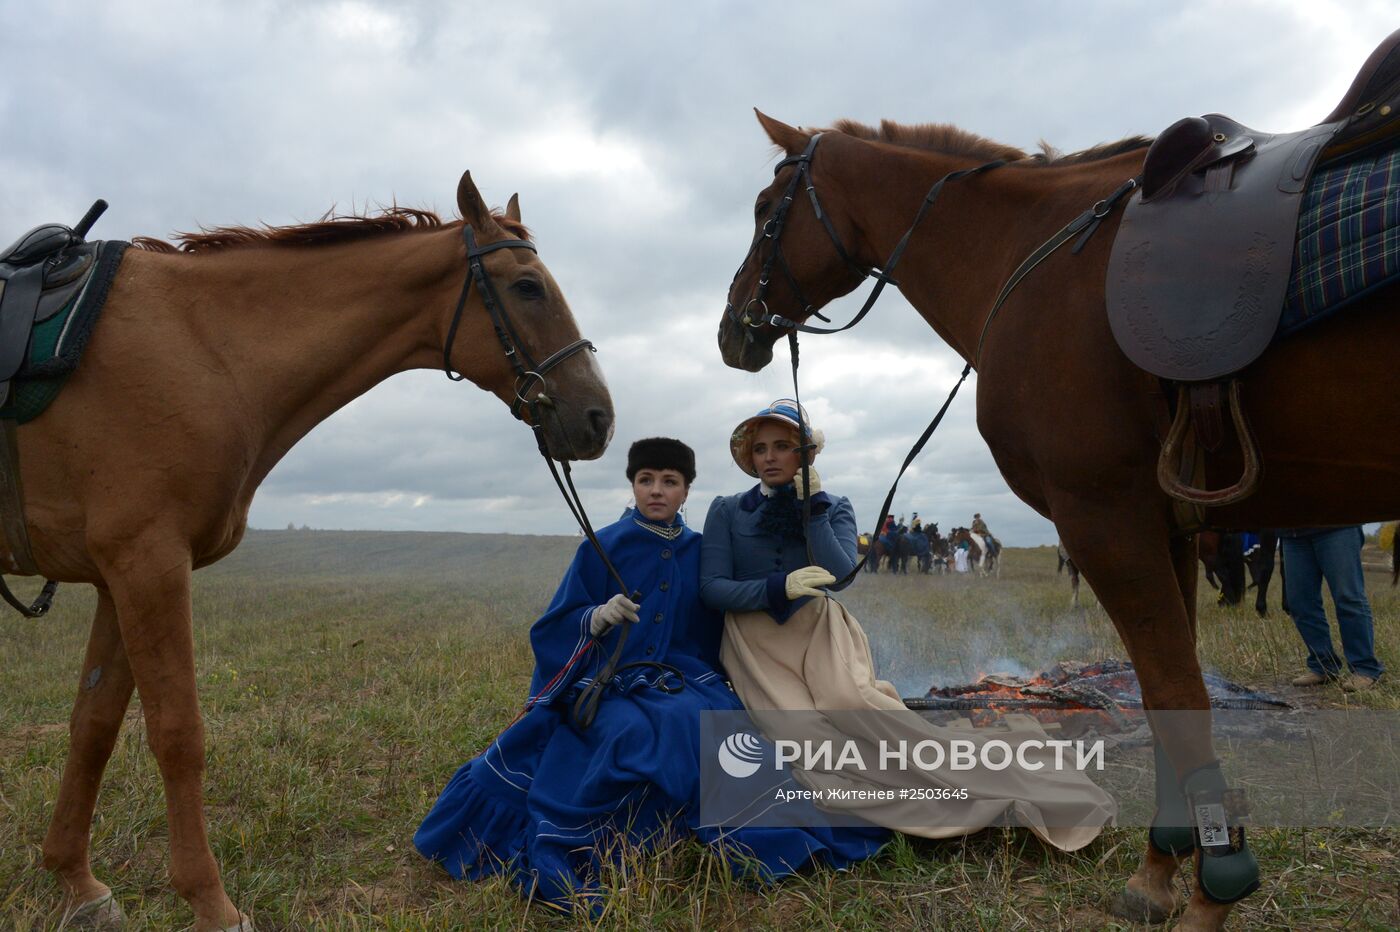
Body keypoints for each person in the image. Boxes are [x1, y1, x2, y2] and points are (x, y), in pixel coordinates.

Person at [415, 438, 886, 910]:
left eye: (669, 482)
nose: (656, 491)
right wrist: (595, 617)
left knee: (720, 728)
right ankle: (611, 840)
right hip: (610, 680)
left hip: (685, 678)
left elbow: (720, 611)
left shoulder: (699, 550)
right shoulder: (603, 545)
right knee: (629, 732)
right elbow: (555, 624)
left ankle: (754, 836)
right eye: (646, 480)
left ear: (686, 492)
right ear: (633, 485)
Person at [701, 400, 1115, 850]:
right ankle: (932, 805)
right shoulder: (726, 510)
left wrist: (813, 507)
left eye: (783, 446)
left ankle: (978, 774)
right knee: (808, 740)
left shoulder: (833, 506)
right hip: (755, 645)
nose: (770, 457)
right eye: (761, 449)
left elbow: (841, 576)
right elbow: (714, 588)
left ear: (805, 454)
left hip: (819, 630)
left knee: (852, 705)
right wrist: (777, 587)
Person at [1280, 526, 1385, 692]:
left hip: (1338, 525)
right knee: (1300, 603)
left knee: (1348, 598)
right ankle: (1323, 665)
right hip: (1293, 532)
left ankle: (1364, 669)